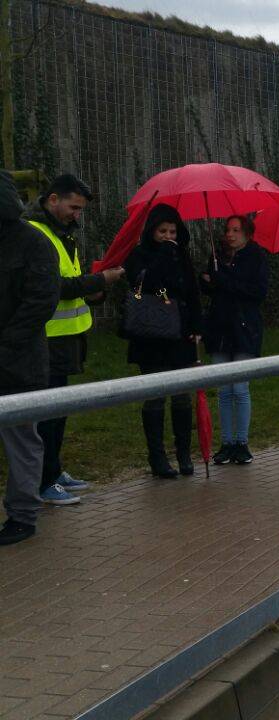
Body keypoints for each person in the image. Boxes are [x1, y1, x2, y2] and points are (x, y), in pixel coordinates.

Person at [25, 174, 122, 505]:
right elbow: (55, 287)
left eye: (80, 210)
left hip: (65, 338)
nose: (76, 215)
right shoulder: (37, 234)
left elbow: (71, 282)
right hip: (46, 339)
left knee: (59, 410)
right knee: (46, 413)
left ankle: (53, 470)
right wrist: (98, 279)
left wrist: (93, 290)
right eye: (73, 207)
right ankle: (43, 480)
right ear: (52, 199)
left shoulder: (62, 233)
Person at [0, 170, 60, 545]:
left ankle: (22, 515)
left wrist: (6, 345)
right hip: (15, 354)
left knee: (22, 441)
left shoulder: (33, 243)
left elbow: (40, 302)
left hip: (18, 363)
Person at [124, 205, 201, 478]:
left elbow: (192, 292)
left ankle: (183, 452)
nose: (168, 236)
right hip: (151, 334)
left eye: (172, 231)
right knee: (155, 396)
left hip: (179, 333)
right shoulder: (139, 255)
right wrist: (164, 256)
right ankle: (157, 456)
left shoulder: (182, 255)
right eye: (162, 231)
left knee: (182, 396)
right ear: (151, 231)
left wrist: (196, 325)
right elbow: (144, 284)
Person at [201, 214, 268, 464]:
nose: (230, 234)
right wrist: (207, 281)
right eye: (228, 230)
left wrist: (222, 281)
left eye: (236, 230)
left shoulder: (256, 257)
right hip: (219, 327)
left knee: (239, 387)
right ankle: (226, 442)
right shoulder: (217, 257)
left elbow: (257, 291)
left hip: (244, 328)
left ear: (247, 233)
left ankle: (242, 441)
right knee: (223, 389)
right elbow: (212, 288)